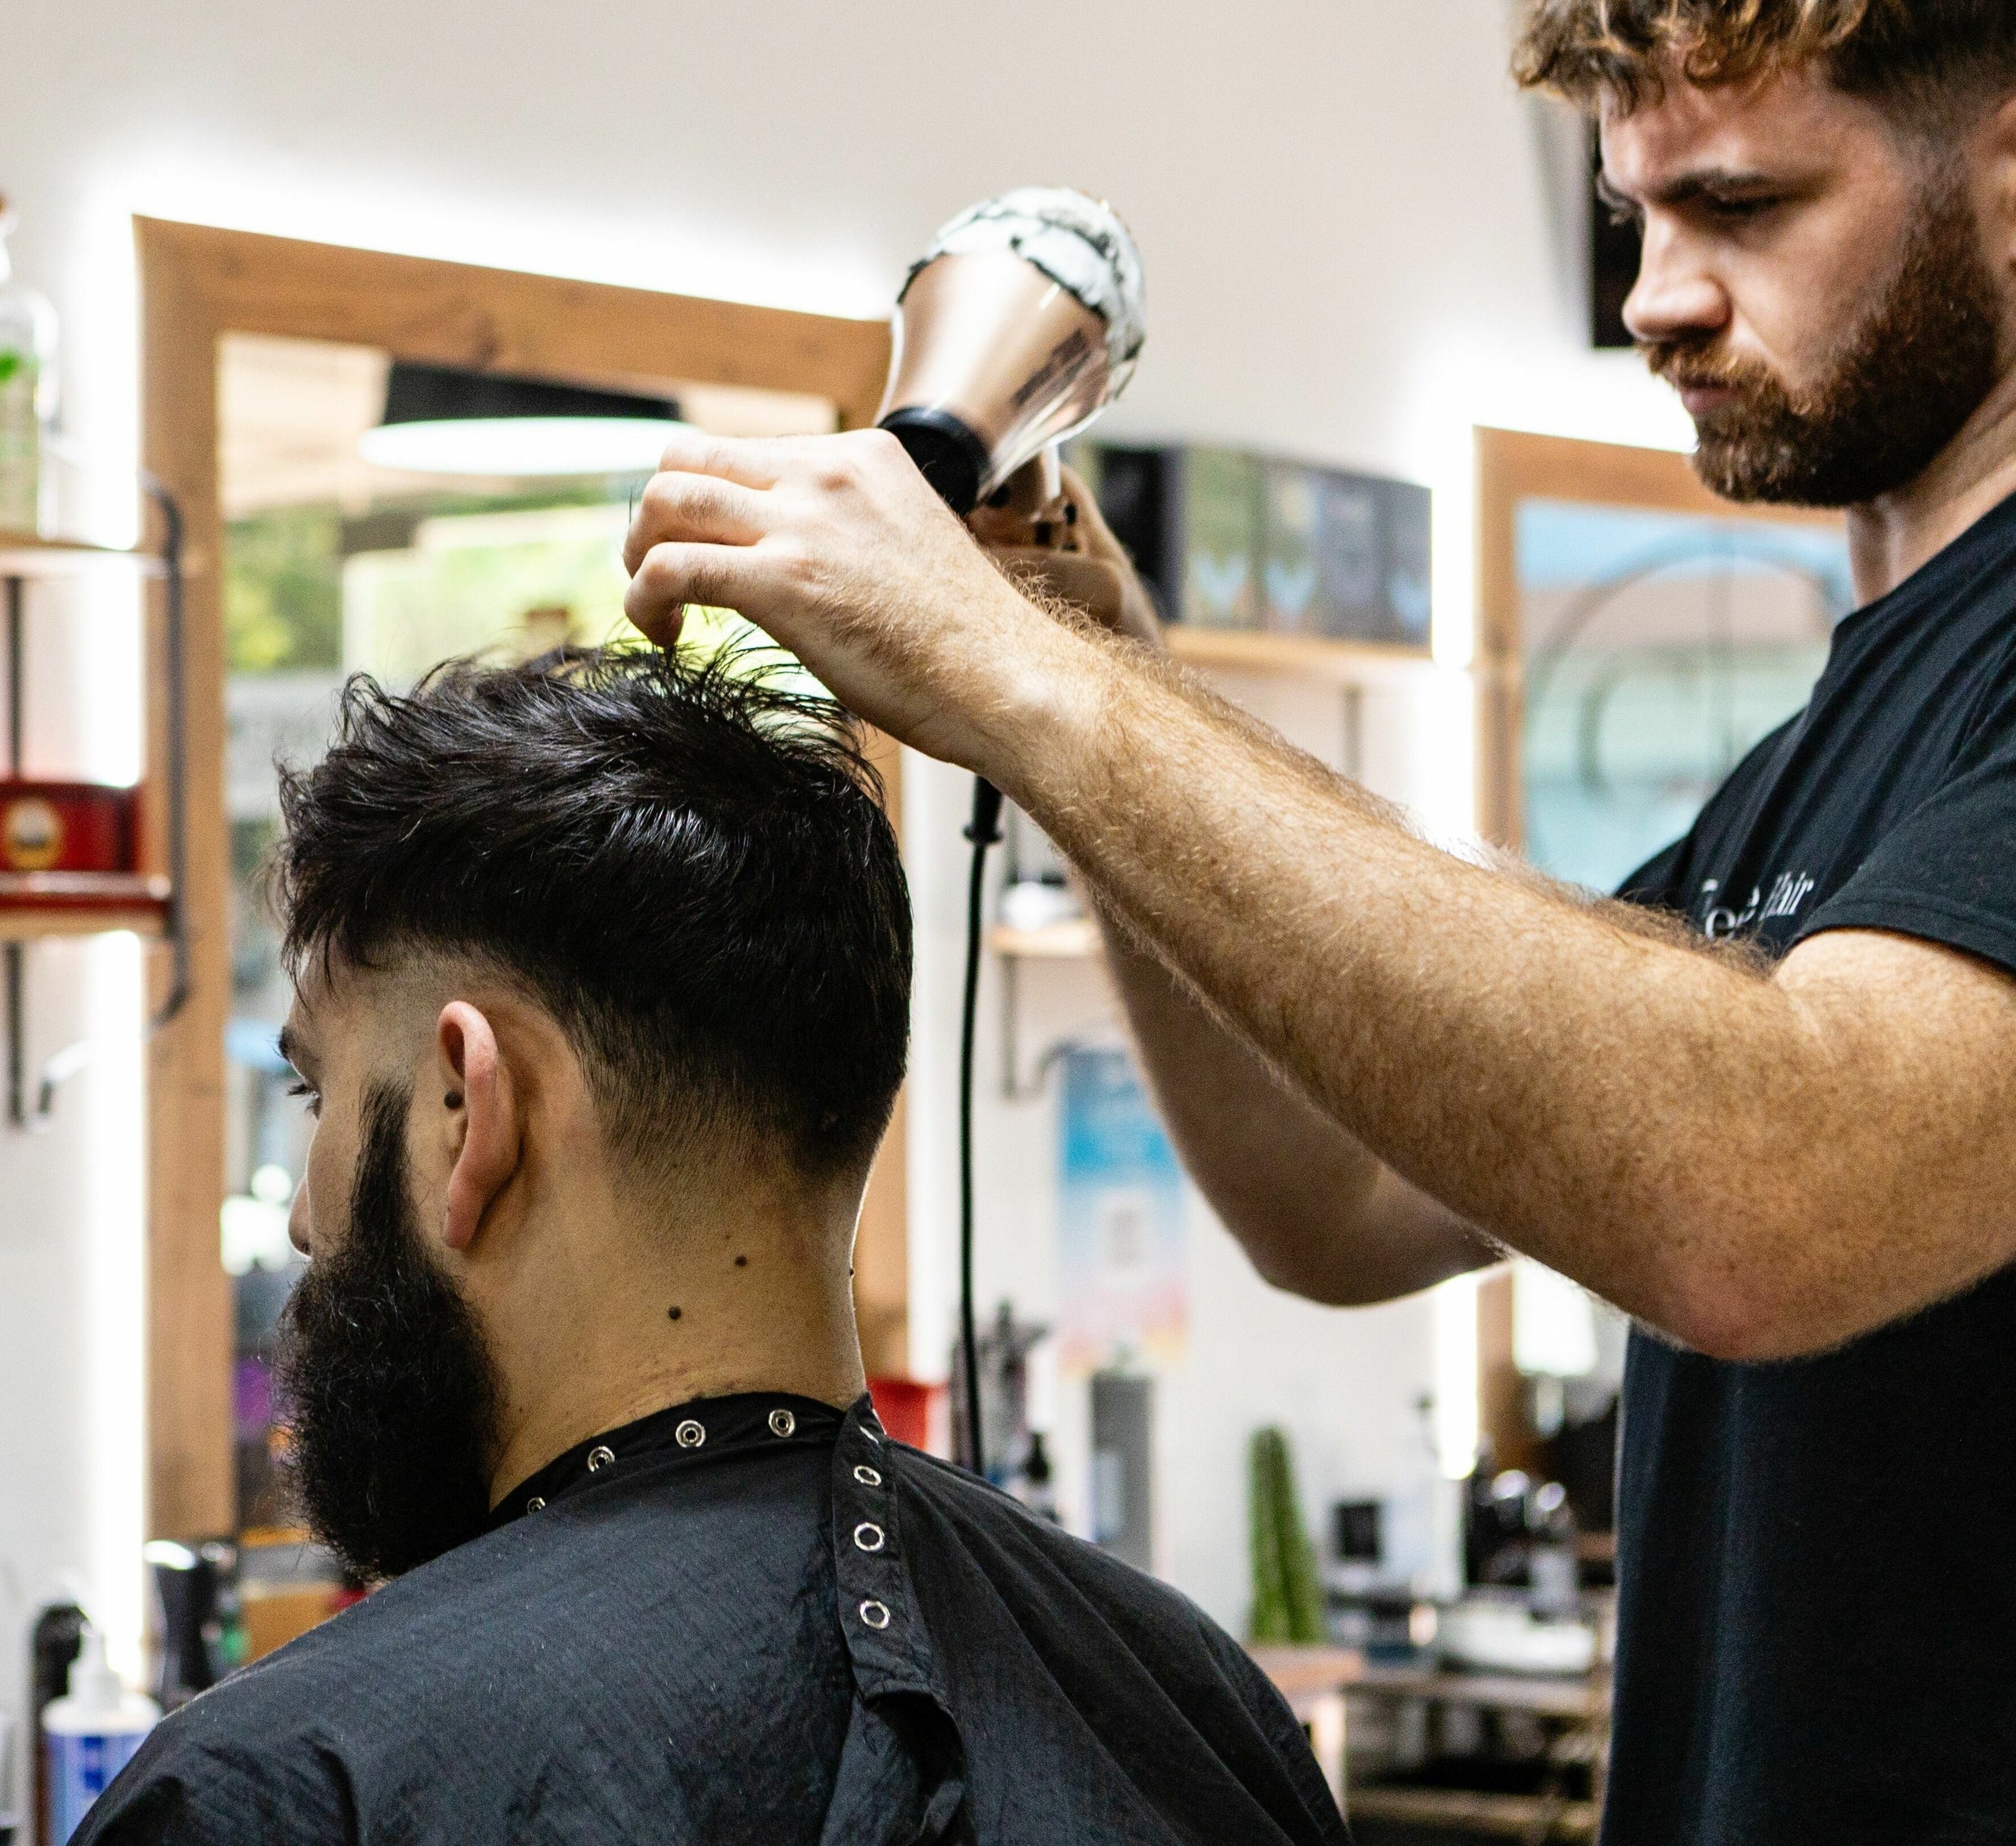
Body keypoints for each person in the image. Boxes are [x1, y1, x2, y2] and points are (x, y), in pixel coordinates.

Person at [621, 0, 2016, 1843]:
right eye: (1635, 212)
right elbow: (1339, 1198)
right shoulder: (1824, 769)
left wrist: (1015, 685)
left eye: (1743, 203)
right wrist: (1102, 677)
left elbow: (1773, 1196)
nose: (1657, 301)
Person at [77, 650, 1344, 1844]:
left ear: (471, 1108)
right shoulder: (1194, 1702)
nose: (304, 1218)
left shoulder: (288, 1794)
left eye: (322, 1099)